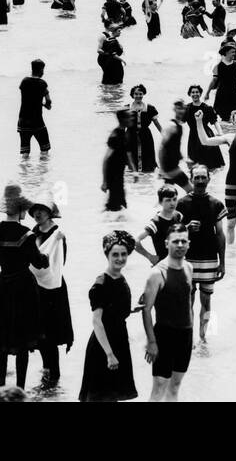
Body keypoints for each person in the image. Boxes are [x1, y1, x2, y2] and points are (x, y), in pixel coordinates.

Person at [0, 183, 49, 389]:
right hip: (23, 288)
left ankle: (2, 387)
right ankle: (20, 388)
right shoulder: (27, 235)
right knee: (22, 342)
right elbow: (38, 262)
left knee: (2, 341)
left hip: (3, 286)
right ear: (21, 209)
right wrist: (46, 255)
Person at [78, 230, 139, 402]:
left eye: (124, 254)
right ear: (107, 255)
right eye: (115, 254)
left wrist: (133, 309)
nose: (120, 258)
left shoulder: (119, 277)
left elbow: (113, 309)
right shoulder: (100, 283)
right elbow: (97, 321)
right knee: (101, 395)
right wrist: (109, 354)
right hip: (103, 345)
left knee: (113, 395)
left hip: (119, 339)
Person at [189, 110, 236, 242]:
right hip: (231, 186)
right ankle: (230, 254)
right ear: (233, 123)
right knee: (230, 224)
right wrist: (199, 121)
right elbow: (205, 141)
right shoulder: (229, 138)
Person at [140, 224, 196, 401]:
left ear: (188, 244)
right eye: (175, 241)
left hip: (185, 335)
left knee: (175, 387)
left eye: (183, 241)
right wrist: (151, 342)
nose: (180, 245)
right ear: (166, 244)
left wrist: (191, 334)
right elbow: (146, 310)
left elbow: (188, 303)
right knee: (159, 387)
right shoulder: (157, 273)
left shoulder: (189, 267)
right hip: (164, 335)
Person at [176, 164, 227, 341]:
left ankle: (205, 339)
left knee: (207, 301)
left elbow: (220, 235)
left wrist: (223, 262)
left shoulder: (216, 204)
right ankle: (188, 338)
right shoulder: (181, 204)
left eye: (202, 177)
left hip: (209, 259)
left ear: (208, 179)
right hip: (187, 260)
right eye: (196, 177)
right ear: (191, 179)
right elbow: (172, 234)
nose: (199, 181)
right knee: (187, 301)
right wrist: (186, 228)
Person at [30, 192, 73, 391]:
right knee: (39, 334)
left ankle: (53, 376)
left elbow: (58, 264)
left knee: (51, 335)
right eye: (35, 210)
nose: (38, 213)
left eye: (42, 210)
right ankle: (46, 369)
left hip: (52, 289)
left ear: (50, 213)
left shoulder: (58, 234)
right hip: (36, 288)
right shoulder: (33, 232)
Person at [18, 60, 52, 155]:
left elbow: (28, 97)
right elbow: (48, 101)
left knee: (25, 152)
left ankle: (25, 168)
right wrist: (46, 105)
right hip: (37, 121)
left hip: (23, 120)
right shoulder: (42, 84)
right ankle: (42, 168)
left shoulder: (24, 82)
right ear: (41, 70)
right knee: (44, 149)